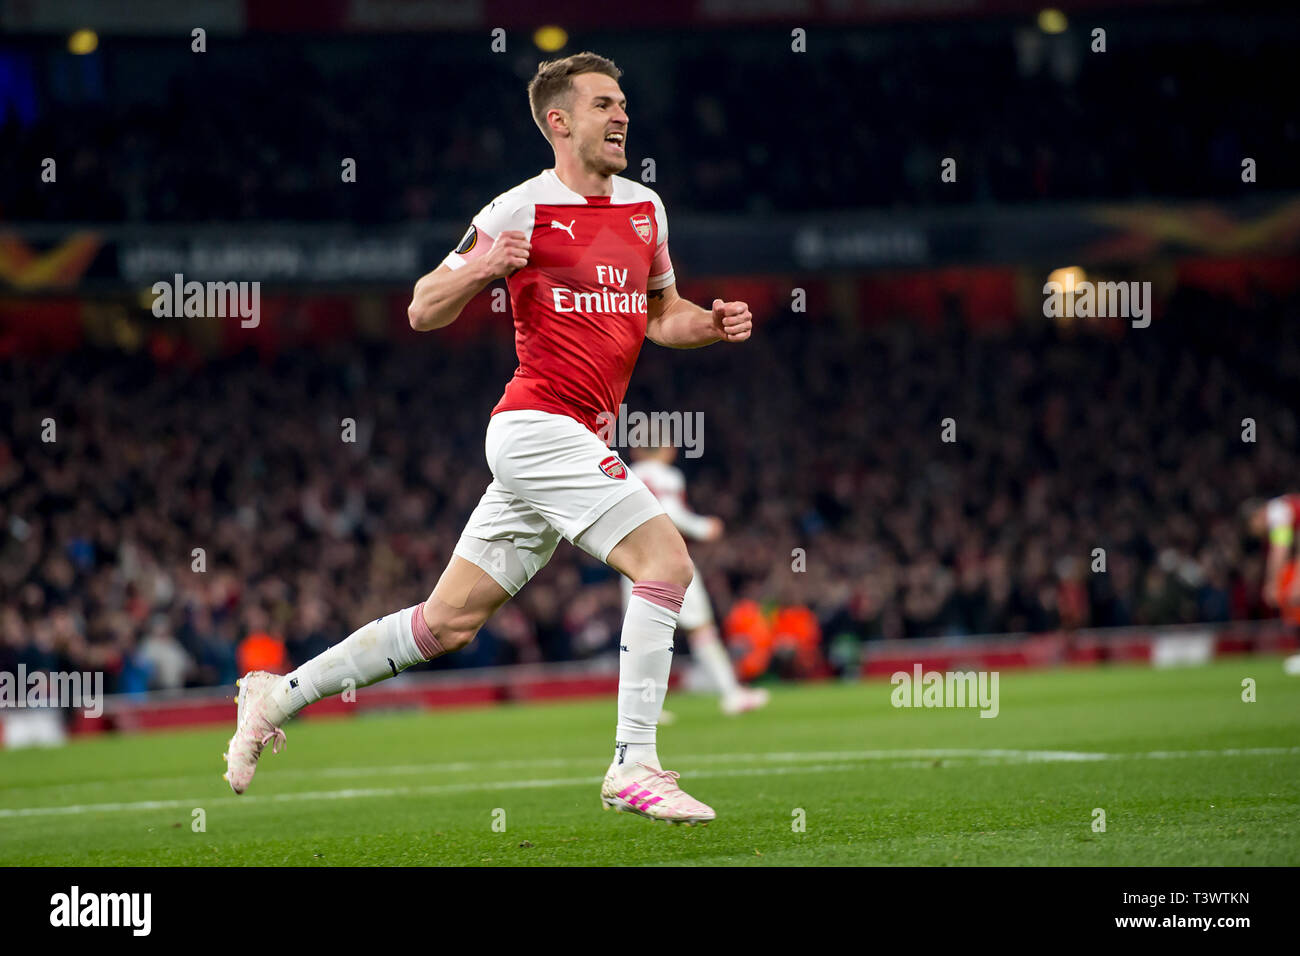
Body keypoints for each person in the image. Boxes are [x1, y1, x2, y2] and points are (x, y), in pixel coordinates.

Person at [223, 52, 753, 825]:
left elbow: (660, 315)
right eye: (605, 104)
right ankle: (634, 763)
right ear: (559, 122)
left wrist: (706, 323)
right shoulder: (517, 211)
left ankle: (276, 696)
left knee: (446, 624)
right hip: (537, 426)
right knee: (666, 560)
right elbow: (421, 308)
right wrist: (484, 271)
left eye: (625, 103)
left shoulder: (647, 210)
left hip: (570, 438)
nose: (622, 116)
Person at [622, 444, 768, 715]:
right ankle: (732, 694)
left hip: (631, 561)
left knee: (641, 636)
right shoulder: (667, 476)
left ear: (637, 451)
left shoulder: (625, 473)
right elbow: (668, 512)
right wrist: (703, 527)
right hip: (667, 560)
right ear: (667, 449)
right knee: (701, 628)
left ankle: (642, 708)